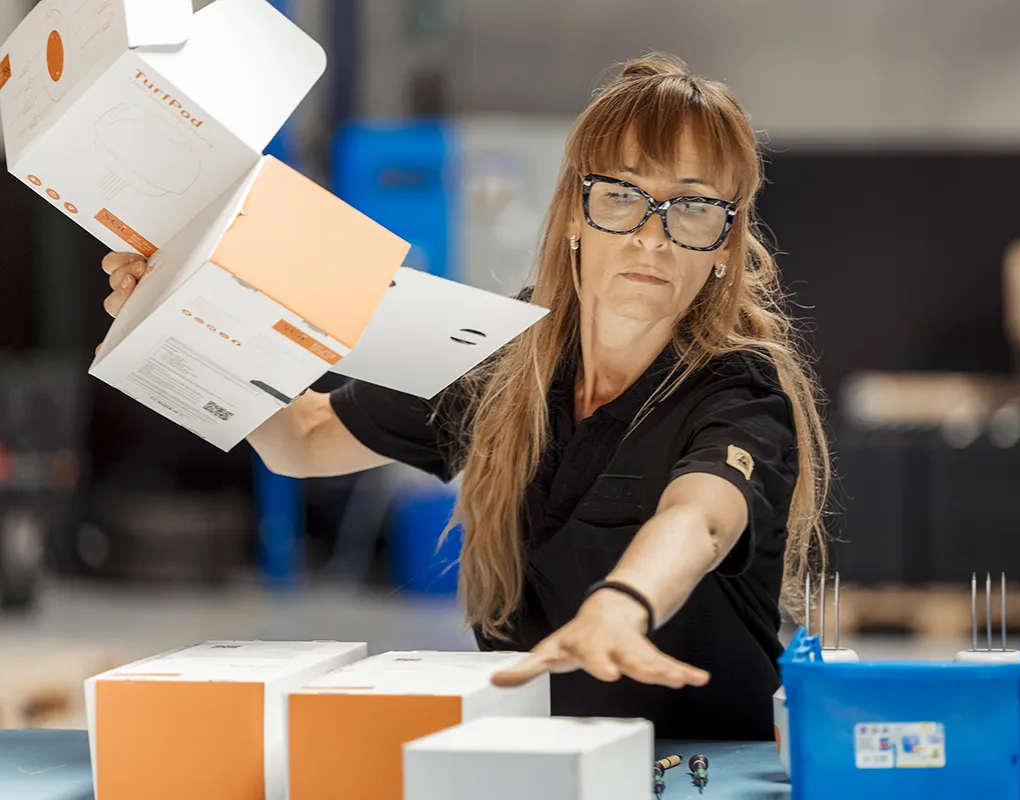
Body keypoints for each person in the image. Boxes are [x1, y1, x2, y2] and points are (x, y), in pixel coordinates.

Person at [99, 53, 830, 741]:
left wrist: (622, 605)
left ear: (725, 244)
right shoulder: (503, 359)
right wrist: (181, 324)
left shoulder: (739, 391)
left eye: (693, 207)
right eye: (622, 195)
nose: (652, 237)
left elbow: (700, 518)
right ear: (576, 214)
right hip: (528, 756)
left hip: (700, 767)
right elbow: (305, 439)